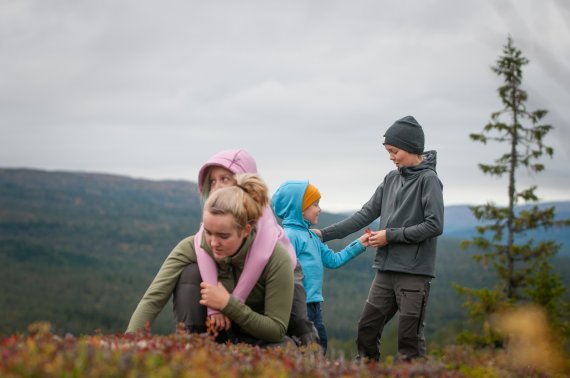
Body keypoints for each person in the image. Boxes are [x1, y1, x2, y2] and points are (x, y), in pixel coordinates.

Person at [314, 115, 444, 361]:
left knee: (409, 343)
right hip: (385, 271)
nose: (391, 157)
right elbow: (365, 214)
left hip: (414, 275)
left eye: (394, 151)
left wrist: (389, 236)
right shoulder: (391, 179)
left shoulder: (429, 181)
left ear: (412, 147)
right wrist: (323, 234)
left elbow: (434, 225)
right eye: (388, 152)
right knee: (367, 330)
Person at [127, 174, 294, 347]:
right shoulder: (192, 246)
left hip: (260, 340)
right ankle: (193, 347)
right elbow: (153, 299)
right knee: (190, 273)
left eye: (223, 236)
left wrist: (228, 304)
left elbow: (276, 330)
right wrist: (128, 343)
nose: (213, 242)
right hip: (212, 334)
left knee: (284, 349)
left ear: (245, 230)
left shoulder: (276, 257)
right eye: (208, 232)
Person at [176, 149, 317, 346]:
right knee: (192, 272)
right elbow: (202, 253)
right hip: (243, 287)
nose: (217, 187)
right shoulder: (213, 225)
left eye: (225, 179)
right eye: (213, 181)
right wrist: (215, 310)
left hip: (286, 271)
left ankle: (311, 354)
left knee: (299, 325)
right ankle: (200, 346)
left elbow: (258, 260)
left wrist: (228, 304)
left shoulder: (262, 219)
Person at [271, 180, 371, 354]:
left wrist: (360, 244)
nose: (319, 209)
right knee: (309, 348)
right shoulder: (289, 236)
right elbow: (282, 272)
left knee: (320, 344)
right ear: (298, 208)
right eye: (315, 204)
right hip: (298, 306)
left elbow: (333, 260)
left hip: (315, 304)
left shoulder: (312, 237)